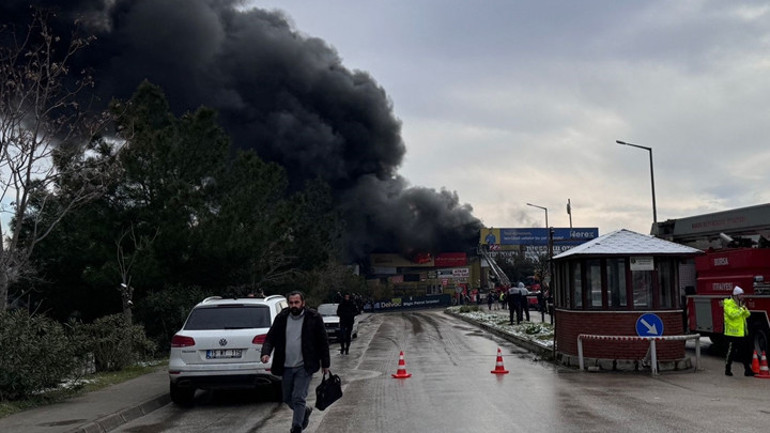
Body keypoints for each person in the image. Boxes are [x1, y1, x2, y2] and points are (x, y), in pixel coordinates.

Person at [261, 291, 331, 433]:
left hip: (304, 366)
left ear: (303, 303)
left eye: (296, 302)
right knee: (287, 398)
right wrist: (266, 353)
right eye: (291, 303)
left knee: (298, 397)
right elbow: (270, 337)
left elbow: (323, 341)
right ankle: (304, 411)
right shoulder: (282, 318)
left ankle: (296, 427)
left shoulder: (313, 317)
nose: (294, 305)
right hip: (285, 366)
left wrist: (325, 363)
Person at [723, 286, 754, 377]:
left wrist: (744, 309)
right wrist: (741, 310)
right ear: (736, 295)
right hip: (732, 333)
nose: (742, 296)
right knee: (731, 352)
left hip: (741, 332)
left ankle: (747, 370)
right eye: (741, 294)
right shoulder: (728, 304)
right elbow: (732, 315)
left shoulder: (740, 304)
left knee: (744, 351)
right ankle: (727, 369)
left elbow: (748, 314)